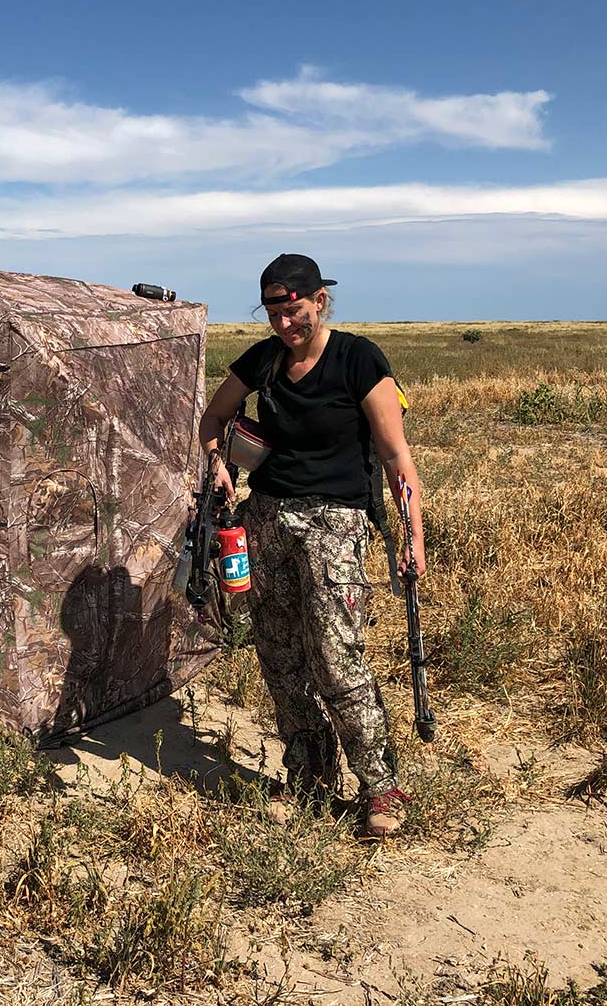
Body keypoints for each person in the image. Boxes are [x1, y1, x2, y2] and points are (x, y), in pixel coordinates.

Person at [197, 253, 427, 838]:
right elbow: (213, 417)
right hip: (264, 520)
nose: (283, 325)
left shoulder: (357, 358)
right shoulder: (263, 360)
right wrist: (220, 463)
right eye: (272, 312)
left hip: (336, 522)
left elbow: (397, 455)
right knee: (277, 651)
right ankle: (310, 772)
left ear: (319, 301)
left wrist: (411, 535)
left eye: (293, 310)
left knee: (336, 654)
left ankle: (380, 788)